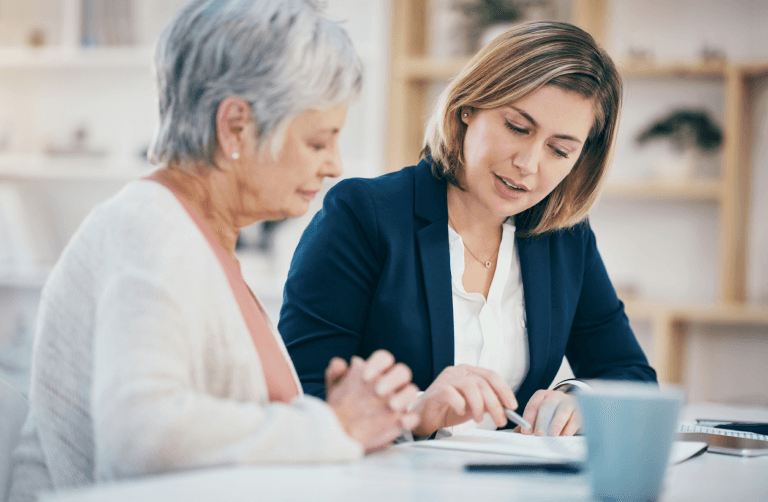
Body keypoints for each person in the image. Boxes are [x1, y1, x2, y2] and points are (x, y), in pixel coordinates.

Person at [8, 1, 420, 499]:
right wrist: (330, 427)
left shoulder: (198, 239)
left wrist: (370, 420)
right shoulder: (150, 230)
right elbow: (142, 436)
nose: (334, 165)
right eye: (318, 142)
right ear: (235, 127)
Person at [279, 21, 657, 440]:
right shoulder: (361, 215)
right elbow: (298, 396)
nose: (529, 164)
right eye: (517, 127)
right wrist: (418, 414)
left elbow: (633, 378)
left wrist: (578, 398)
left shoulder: (565, 239)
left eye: (560, 149)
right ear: (468, 109)